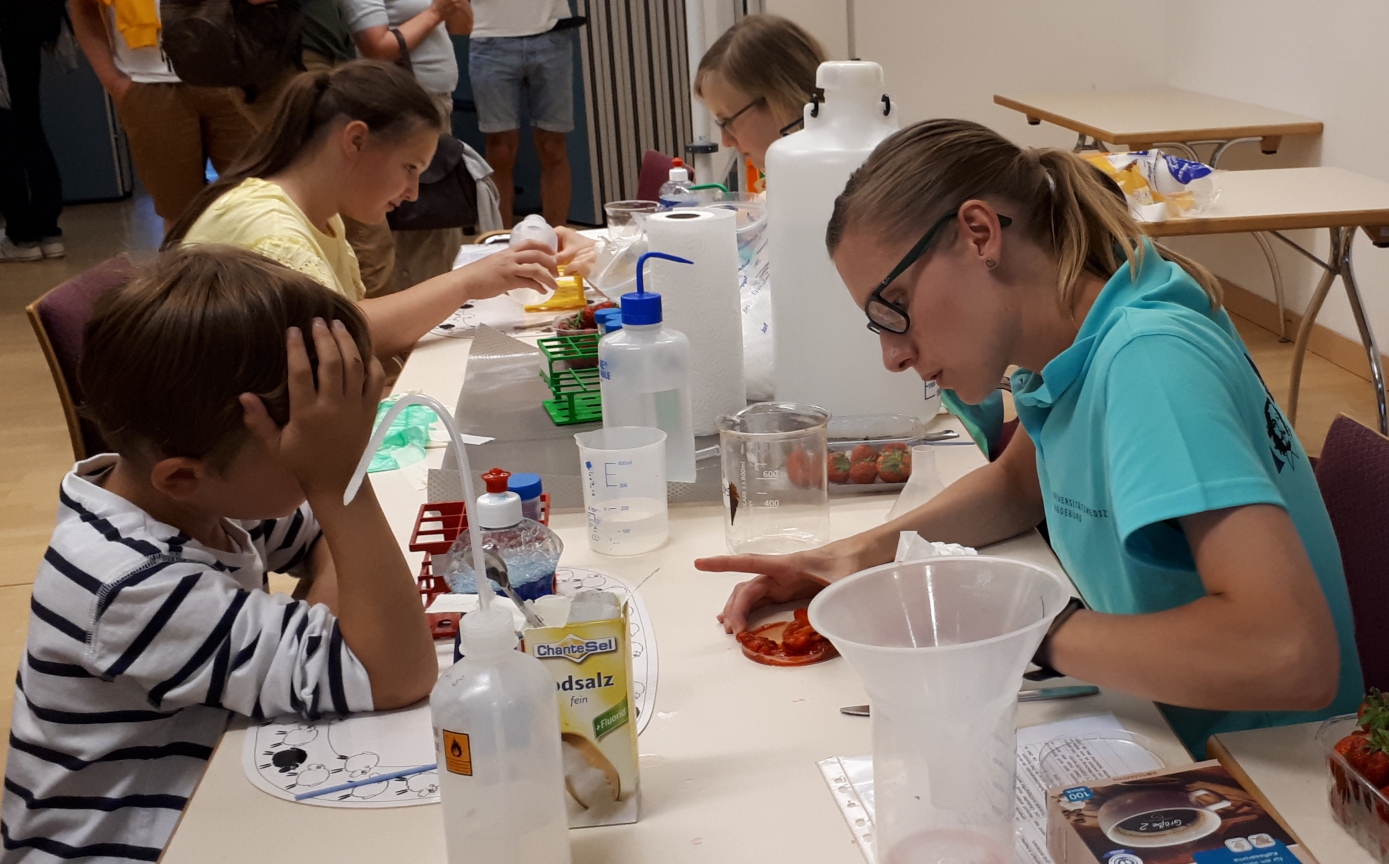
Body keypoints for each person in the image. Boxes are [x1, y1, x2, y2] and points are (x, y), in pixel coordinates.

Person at [697, 119, 1364, 756]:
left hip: (1265, 770)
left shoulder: (1149, 361)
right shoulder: (1078, 332)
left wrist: (1025, 628)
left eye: (893, 307)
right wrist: (855, 554)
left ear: (979, 234)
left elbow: (1289, 655)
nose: (893, 356)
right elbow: (1019, 486)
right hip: (1166, 723)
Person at [0, 246, 438, 859]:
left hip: (207, 793)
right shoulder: (131, 585)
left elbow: (324, 544)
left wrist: (335, 628)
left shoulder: (200, 496)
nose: (318, 466)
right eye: (303, 456)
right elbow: (397, 672)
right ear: (182, 476)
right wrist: (339, 478)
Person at [164, 60, 557, 360]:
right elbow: (343, 336)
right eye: (409, 168)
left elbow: (354, 322)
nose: (412, 193)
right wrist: (466, 282)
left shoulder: (321, 215)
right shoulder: (272, 230)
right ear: (355, 140)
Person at [68, 0, 260, 232]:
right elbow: (83, 9)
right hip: (148, 84)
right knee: (178, 214)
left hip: (235, 74)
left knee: (260, 201)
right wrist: (114, 82)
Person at [344, 0, 475, 294]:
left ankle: (434, 304)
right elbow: (376, 47)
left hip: (438, 104)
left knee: (436, 222)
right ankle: (399, 308)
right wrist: (436, 12)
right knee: (407, 220)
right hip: (399, 108)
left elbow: (463, 26)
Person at [464, 0, 574, 228]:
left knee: (553, 147)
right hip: (489, 36)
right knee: (500, 150)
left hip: (550, 33)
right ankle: (501, 240)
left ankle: (558, 238)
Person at [693, 14, 825, 194]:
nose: (726, 141)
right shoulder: (791, 179)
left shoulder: (838, 185)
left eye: (728, 121)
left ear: (781, 100)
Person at [0, 0, 66, 261]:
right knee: (30, 128)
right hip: (27, 31)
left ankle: (22, 237)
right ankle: (48, 231)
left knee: (4, 136)